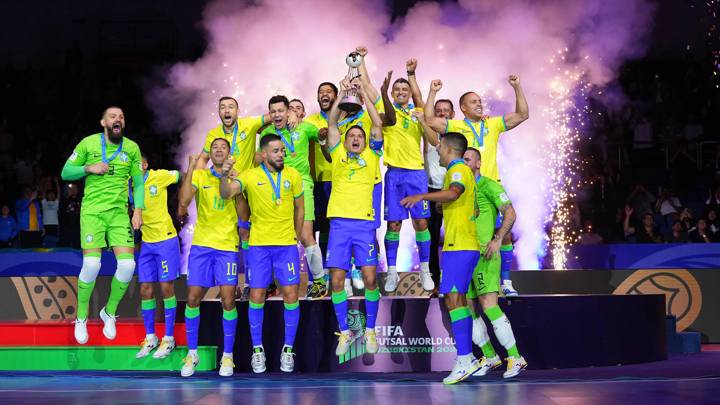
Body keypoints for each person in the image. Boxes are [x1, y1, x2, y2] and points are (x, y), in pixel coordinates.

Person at [424, 76, 529, 296]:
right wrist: (432, 92)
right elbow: (430, 121)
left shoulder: (492, 123)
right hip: (466, 189)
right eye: (474, 102)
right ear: (462, 108)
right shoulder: (458, 125)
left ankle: (506, 282)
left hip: (491, 186)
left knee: (504, 232)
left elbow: (522, 115)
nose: (479, 104)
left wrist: (517, 86)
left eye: (480, 101)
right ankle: (457, 281)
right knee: (460, 234)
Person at [400, 133, 481, 384]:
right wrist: (443, 207)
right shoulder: (461, 172)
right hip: (462, 245)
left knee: (455, 300)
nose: (437, 152)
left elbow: (455, 193)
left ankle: (465, 358)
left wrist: (422, 197)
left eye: (439, 147)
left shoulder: (457, 169)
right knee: (456, 300)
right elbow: (472, 206)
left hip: (461, 246)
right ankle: (467, 358)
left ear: (448, 149)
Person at [219, 134, 304, 374]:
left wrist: (296, 235)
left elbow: (300, 208)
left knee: (291, 294)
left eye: (282, 151)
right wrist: (225, 174)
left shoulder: (293, 176)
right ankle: (258, 351)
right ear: (264, 154)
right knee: (256, 295)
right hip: (258, 246)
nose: (281, 154)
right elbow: (226, 193)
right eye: (276, 151)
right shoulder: (250, 175)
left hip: (286, 245)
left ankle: (288, 350)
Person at [60, 106, 144, 345]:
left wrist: (137, 210)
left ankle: (109, 311)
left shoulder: (132, 148)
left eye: (121, 116)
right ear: (103, 122)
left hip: (118, 215)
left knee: (128, 266)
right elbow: (66, 172)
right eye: (113, 116)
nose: (118, 119)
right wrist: (89, 168)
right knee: (92, 264)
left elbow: (138, 184)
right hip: (93, 213)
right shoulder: (88, 144)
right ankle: (81, 318)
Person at [359, 52, 435, 292]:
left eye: (405, 90)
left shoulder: (418, 112)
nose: (401, 92)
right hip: (394, 175)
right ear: (392, 94)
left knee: (421, 223)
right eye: (397, 90)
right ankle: (391, 273)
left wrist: (412, 74)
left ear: (410, 93)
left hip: (416, 174)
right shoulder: (385, 107)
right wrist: (361, 60)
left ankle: (424, 271)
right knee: (393, 226)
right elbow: (368, 86)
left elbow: (432, 136)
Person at [321, 77, 384, 356]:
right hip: (339, 225)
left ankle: (370, 330)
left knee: (371, 280)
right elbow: (333, 123)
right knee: (336, 281)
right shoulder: (337, 155)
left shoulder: (372, 155)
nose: (356, 139)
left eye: (360, 136)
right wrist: (342, 93)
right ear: (344, 142)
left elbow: (378, 124)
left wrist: (363, 95)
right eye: (352, 137)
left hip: (364, 225)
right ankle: (345, 333)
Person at [463, 147, 527, 379]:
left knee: (489, 305)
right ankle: (490, 356)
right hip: (463, 255)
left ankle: (515, 357)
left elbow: (510, 213)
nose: (463, 162)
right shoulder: (458, 188)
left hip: (484, 256)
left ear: (478, 163)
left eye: (468, 159)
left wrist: (498, 239)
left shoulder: (489, 186)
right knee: (467, 308)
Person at [178, 138, 239, 378]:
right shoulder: (201, 176)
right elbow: (183, 203)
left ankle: (228, 356)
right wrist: (192, 168)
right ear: (210, 154)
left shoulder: (237, 176)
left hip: (226, 246)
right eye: (215, 148)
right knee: (192, 298)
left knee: (228, 300)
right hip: (202, 246)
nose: (219, 150)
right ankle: (192, 354)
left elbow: (244, 211)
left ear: (229, 153)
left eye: (223, 147)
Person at [259, 95, 325, 300]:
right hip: (277, 188)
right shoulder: (268, 133)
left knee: (306, 235)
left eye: (281, 110)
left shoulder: (304, 127)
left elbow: (322, 134)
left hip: (302, 185)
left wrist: (323, 131)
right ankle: (272, 284)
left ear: (289, 111)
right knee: (276, 236)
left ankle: (320, 282)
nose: (277, 114)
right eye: (274, 111)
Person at [134, 155, 181, 360]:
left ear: (145, 165)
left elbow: (182, 176)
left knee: (166, 288)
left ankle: (169, 338)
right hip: (146, 243)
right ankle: (151, 337)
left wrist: (183, 205)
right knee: (145, 288)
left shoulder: (159, 176)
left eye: (136, 164)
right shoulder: (129, 185)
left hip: (165, 240)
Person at [423, 99, 453, 292]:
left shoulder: (459, 135)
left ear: (453, 114)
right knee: (431, 238)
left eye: (446, 111)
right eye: (438, 111)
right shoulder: (427, 132)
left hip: (453, 192)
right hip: (432, 191)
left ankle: (454, 280)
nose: (442, 114)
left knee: (454, 239)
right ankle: (435, 282)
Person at [41, 176, 61, 243]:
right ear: (47, 196)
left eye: (53, 194)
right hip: (45, 225)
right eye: (50, 194)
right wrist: (47, 182)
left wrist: (56, 182)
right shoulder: (44, 203)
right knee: (45, 242)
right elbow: (43, 192)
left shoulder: (56, 203)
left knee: (55, 242)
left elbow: (59, 193)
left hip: (55, 225)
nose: (51, 195)